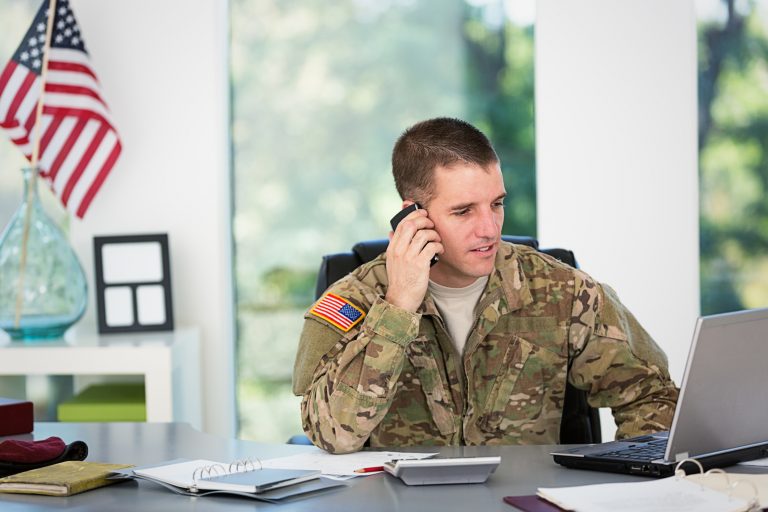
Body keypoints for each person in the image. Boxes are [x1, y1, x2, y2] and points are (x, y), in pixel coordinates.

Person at [292, 117, 678, 454]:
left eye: (496, 204)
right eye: (463, 211)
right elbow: (331, 436)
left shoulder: (562, 291)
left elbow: (655, 396)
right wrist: (398, 307)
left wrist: (624, 483)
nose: (489, 229)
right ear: (413, 215)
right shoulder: (354, 299)